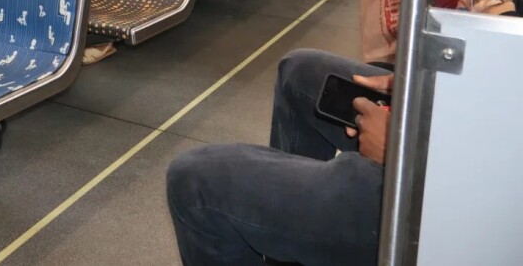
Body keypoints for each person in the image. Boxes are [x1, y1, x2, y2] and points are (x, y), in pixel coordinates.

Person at [167, 41, 518, 265]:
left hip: (458, 202)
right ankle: (293, 245)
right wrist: (429, 89)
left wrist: (404, 153)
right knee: (300, 71)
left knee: (196, 181)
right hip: (485, 130)